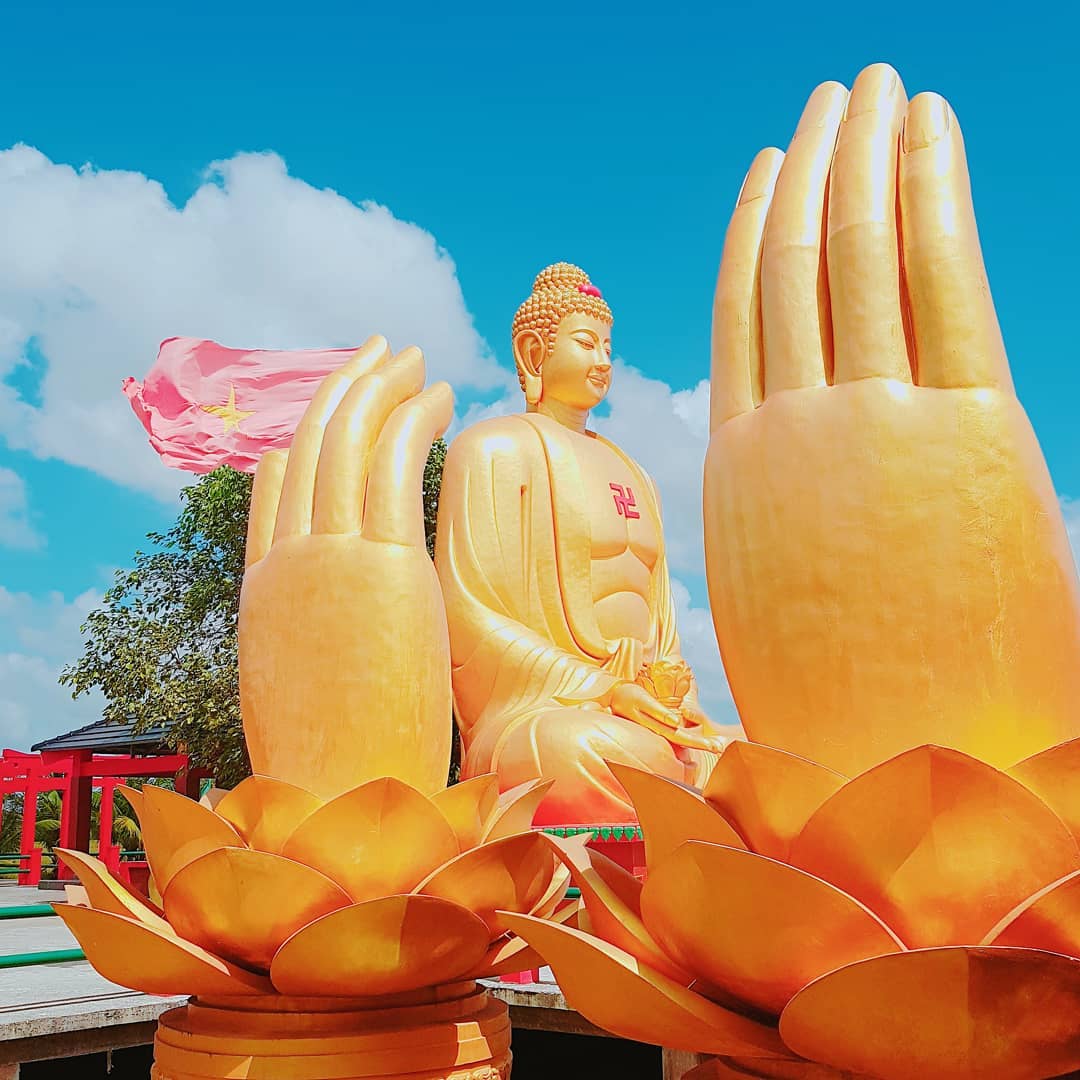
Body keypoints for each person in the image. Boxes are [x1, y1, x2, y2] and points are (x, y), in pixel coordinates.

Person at [436, 262, 732, 825]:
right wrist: (603, 691)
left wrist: (678, 705)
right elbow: (468, 617)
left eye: (608, 347)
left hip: (646, 711)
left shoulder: (637, 474)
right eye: (585, 343)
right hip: (545, 713)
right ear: (531, 352)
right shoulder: (494, 450)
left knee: (752, 755)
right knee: (599, 753)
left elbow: (659, 625)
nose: (602, 361)